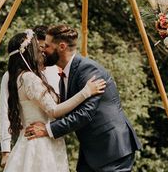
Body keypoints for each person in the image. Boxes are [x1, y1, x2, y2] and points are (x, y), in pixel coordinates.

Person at [25, 24, 141, 172]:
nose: (43, 50)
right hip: (91, 151)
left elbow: (84, 114)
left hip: (112, 149)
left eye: (47, 46)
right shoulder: (65, 76)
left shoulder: (88, 70)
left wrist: (47, 130)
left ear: (61, 46)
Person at [3, 29, 106, 172]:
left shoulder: (18, 78)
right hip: (41, 144)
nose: (43, 52)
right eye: (39, 49)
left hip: (29, 141)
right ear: (29, 52)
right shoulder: (29, 78)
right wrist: (86, 92)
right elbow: (54, 110)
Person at [0, 25, 60, 168]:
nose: (42, 52)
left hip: (54, 138)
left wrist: (51, 129)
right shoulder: (11, 76)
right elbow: (5, 110)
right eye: (39, 47)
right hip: (30, 139)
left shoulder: (55, 71)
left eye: (45, 48)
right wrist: (5, 151)